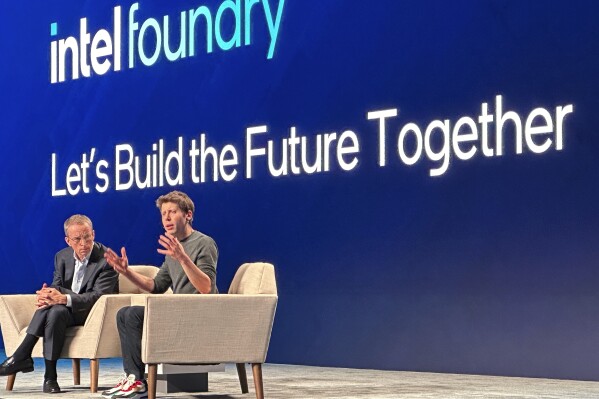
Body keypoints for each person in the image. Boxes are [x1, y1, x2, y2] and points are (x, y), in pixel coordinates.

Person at [102, 190, 218, 399]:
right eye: (163, 213)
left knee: (133, 315)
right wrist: (126, 272)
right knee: (124, 313)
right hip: (179, 313)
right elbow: (156, 285)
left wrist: (183, 258)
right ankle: (134, 377)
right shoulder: (175, 248)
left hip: (200, 315)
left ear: (188, 215)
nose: (166, 218)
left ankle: (137, 380)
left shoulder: (204, 243)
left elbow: (206, 287)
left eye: (172, 212)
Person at [0, 214, 118, 394]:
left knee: (56, 306)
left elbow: (98, 297)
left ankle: (23, 354)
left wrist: (63, 298)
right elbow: (58, 284)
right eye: (77, 239)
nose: (83, 243)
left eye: (87, 237)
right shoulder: (61, 257)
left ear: (93, 234)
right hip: (64, 312)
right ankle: (50, 377)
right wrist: (48, 293)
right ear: (68, 240)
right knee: (54, 311)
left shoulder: (107, 260)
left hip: (93, 313)